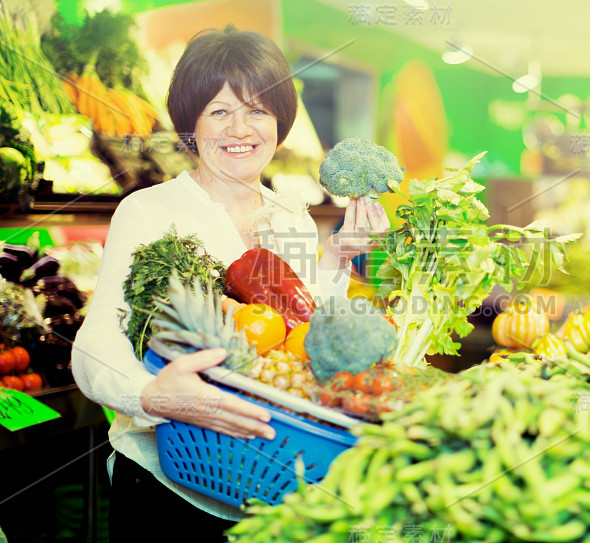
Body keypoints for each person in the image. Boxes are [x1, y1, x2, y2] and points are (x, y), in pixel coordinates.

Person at [71, 25, 390, 543]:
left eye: (257, 110)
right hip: (170, 485)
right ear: (192, 123)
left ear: (279, 121)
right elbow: (96, 345)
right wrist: (150, 396)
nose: (240, 129)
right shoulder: (149, 210)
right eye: (219, 111)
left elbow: (302, 330)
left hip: (273, 486)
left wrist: (340, 253)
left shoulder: (292, 213)